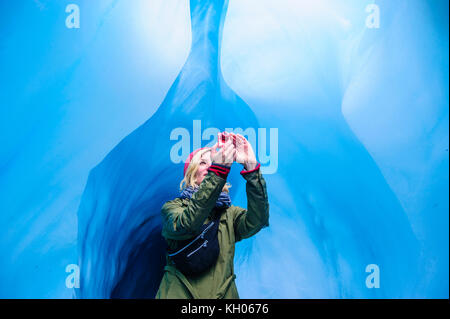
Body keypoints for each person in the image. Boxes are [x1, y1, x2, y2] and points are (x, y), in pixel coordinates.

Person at [155, 133, 269, 299]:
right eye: (203, 162)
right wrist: (218, 171)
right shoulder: (173, 208)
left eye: (213, 162)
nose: (210, 167)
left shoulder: (229, 214)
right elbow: (188, 223)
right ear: (191, 173)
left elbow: (258, 221)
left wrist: (251, 168)